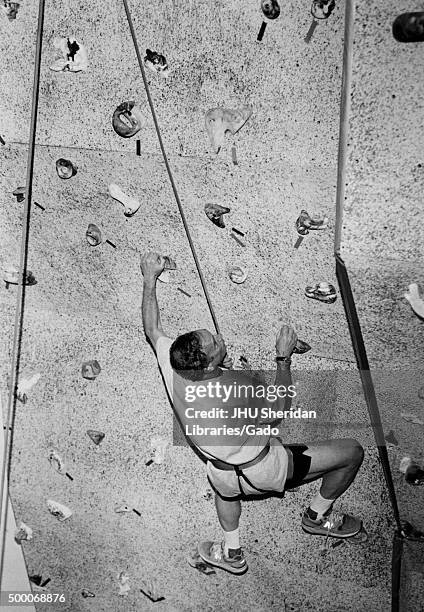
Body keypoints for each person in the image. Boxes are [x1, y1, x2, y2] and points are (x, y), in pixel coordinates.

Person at [140, 252, 364, 575]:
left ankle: (232, 552)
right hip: (264, 468)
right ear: (208, 366)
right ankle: (317, 516)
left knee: (224, 487)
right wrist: (283, 359)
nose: (219, 338)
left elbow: (152, 329)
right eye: (216, 344)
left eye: (211, 335)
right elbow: (279, 408)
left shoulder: (174, 368)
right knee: (352, 452)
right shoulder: (237, 393)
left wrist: (150, 278)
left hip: (221, 473)